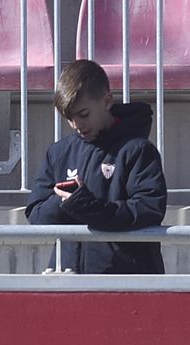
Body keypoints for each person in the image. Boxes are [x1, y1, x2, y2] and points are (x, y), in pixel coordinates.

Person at [26, 59, 166, 274]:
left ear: (107, 101)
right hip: (67, 278)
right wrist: (63, 201)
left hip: (126, 280)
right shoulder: (59, 152)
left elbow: (149, 209)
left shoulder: (138, 150)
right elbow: (36, 216)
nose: (76, 125)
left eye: (83, 115)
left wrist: (86, 205)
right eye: (69, 118)